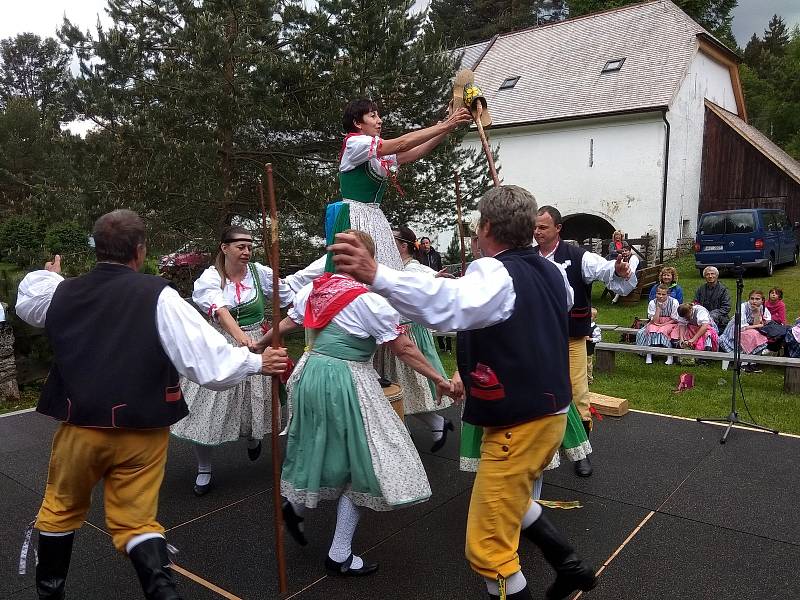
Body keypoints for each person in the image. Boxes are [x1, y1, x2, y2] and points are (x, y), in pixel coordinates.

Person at [330, 186, 596, 600]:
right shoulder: (550, 271)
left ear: (486, 227)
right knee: (513, 498)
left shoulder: (495, 273)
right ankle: (569, 565)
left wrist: (377, 275)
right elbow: (521, 325)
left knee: (488, 549)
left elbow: (447, 305)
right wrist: (473, 373)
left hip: (519, 422)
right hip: (550, 415)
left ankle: (560, 571)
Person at [14, 210, 288, 600]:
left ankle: (50, 593)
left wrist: (52, 275)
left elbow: (31, 299)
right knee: (137, 522)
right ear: (140, 251)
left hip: (80, 429)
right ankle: (163, 593)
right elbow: (208, 363)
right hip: (142, 432)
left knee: (58, 511)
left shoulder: (61, 292)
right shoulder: (159, 297)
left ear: (96, 249)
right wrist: (257, 362)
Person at [258, 230, 451, 577]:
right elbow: (403, 348)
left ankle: (297, 507)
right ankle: (339, 552)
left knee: (319, 445)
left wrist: (259, 344)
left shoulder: (314, 289)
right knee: (368, 461)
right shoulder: (369, 301)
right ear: (368, 261)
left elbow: (286, 325)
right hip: (345, 379)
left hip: (309, 374)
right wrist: (438, 378)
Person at [170, 225, 295, 496]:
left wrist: (274, 331)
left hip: (258, 343)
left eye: (250, 246)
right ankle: (204, 467)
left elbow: (289, 296)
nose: (247, 251)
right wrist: (239, 337)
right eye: (240, 246)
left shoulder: (261, 274)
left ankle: (252, 437)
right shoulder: (210, 277)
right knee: (204, 409)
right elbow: (219, 309)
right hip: (219, 345)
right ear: (224, 248)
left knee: (255, 403)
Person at [533, 205, 635, 477]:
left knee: (577, 394)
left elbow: (607, 272)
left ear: (558, 228)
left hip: (570, 339)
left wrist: (619, 269)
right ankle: (546, 448)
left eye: (543, 227)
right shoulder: (529, 258)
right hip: (538, 342)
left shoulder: (579, 257)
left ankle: (582, 450)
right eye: (535, 227)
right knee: (540, 394)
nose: (537, 232)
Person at [324, 99, 472, 272]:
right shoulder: (355, 143)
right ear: (357, 123)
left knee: (380, 272)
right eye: (373, 116)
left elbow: (413, 153)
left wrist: (447, 127)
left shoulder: (372, 150)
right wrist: (446, 124)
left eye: (378, 115)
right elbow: (402, 143)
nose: (379, 120)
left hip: (374, 217)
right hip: (355, 217)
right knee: (358, 273)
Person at [383, 226, 454, 450]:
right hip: (394, 334)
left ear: (403, 246)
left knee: (408, 385)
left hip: (408, 333)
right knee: (396, 386)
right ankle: (409, 429)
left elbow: (430, 280)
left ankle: (431, 425)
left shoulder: (413, 269)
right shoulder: (397, 268)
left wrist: (437, 280)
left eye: (391, 240)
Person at [719, 290, 772, 362]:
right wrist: (758, 325)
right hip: (736, 329)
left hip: (749, 329)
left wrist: (757, 312)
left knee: (756, 333)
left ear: (762, 300)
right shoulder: (743, 307)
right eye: (752, 298)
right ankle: (747, 358)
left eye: (757, 299)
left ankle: (753, 358)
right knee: (753, 334)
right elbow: (742, 327)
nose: (754, 301)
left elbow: (761, 324)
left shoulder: (762, 308)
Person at [636, 284, 680, 365]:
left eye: (663, 294)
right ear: (656, 293)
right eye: (658, 294)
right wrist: (658, 309)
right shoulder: (652, 303)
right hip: (656, 321)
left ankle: (669, 355)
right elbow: (654, 321)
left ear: (668, 294)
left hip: (670, 322)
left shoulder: (674, 302)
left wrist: (663, 325)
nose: (660, 296)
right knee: (651, 329)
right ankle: (649, 354)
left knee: (663, 330)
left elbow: (674, 319)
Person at [693, 266, 731, 332]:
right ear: (705, 277)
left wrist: (711, 314)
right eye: (707, 274)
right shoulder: (700, 289)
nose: (710, 276)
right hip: (702, 316)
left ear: (717, 276)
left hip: (719, 320)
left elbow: (726, 307)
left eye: (712, 274)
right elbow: (696, 303)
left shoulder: (723, 290)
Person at [586, 307, 601, 384]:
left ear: (595, 318)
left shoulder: (595, 328)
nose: (588, 317)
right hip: (581, 348)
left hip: (589, 349)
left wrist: (591, 339)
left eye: (591, 316)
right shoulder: (584, 326)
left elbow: (598, 339)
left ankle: (589, 379)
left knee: (588, 365)